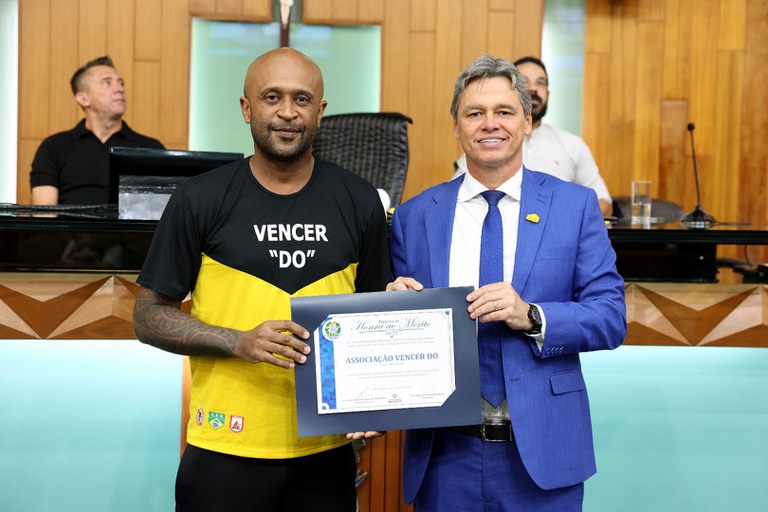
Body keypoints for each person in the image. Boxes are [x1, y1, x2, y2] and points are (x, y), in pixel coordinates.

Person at [132, 48, 390, 511]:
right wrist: (239, 342)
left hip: (326, 452)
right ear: (247, 108)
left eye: (302, 99)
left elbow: (372, 319)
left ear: (320, 112)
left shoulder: (361, 201)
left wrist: (377, 398)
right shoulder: (199, 198)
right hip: (223, 446)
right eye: (272, 97)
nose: (287, 112)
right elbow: (147, 316)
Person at [389, 55, 626, 511]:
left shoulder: (575, 207)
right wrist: (396, 310)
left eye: (504, 111)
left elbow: (610, 317)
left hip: (543, 453)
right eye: (474, 113)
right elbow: (402, 328)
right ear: (456, 127)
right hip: (444, 458)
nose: (489, 124)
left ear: (527, 122)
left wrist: (531, 315)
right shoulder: (414, 216)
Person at [454, 55, 613, 217]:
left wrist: (556, 222)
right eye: (525, 82)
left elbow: (603, 202)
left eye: (540, 83)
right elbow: (457, 200)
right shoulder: (484, 148)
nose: (533, 88)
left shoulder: (572, 145)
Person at [29, 56, 164, 205]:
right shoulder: (54, 147)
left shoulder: (150, 149)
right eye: (107, 83)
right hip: (70, 221)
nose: (120, 89)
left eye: (121, 83)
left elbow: (162, 209)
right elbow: (44, 213)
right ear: (83, 99)